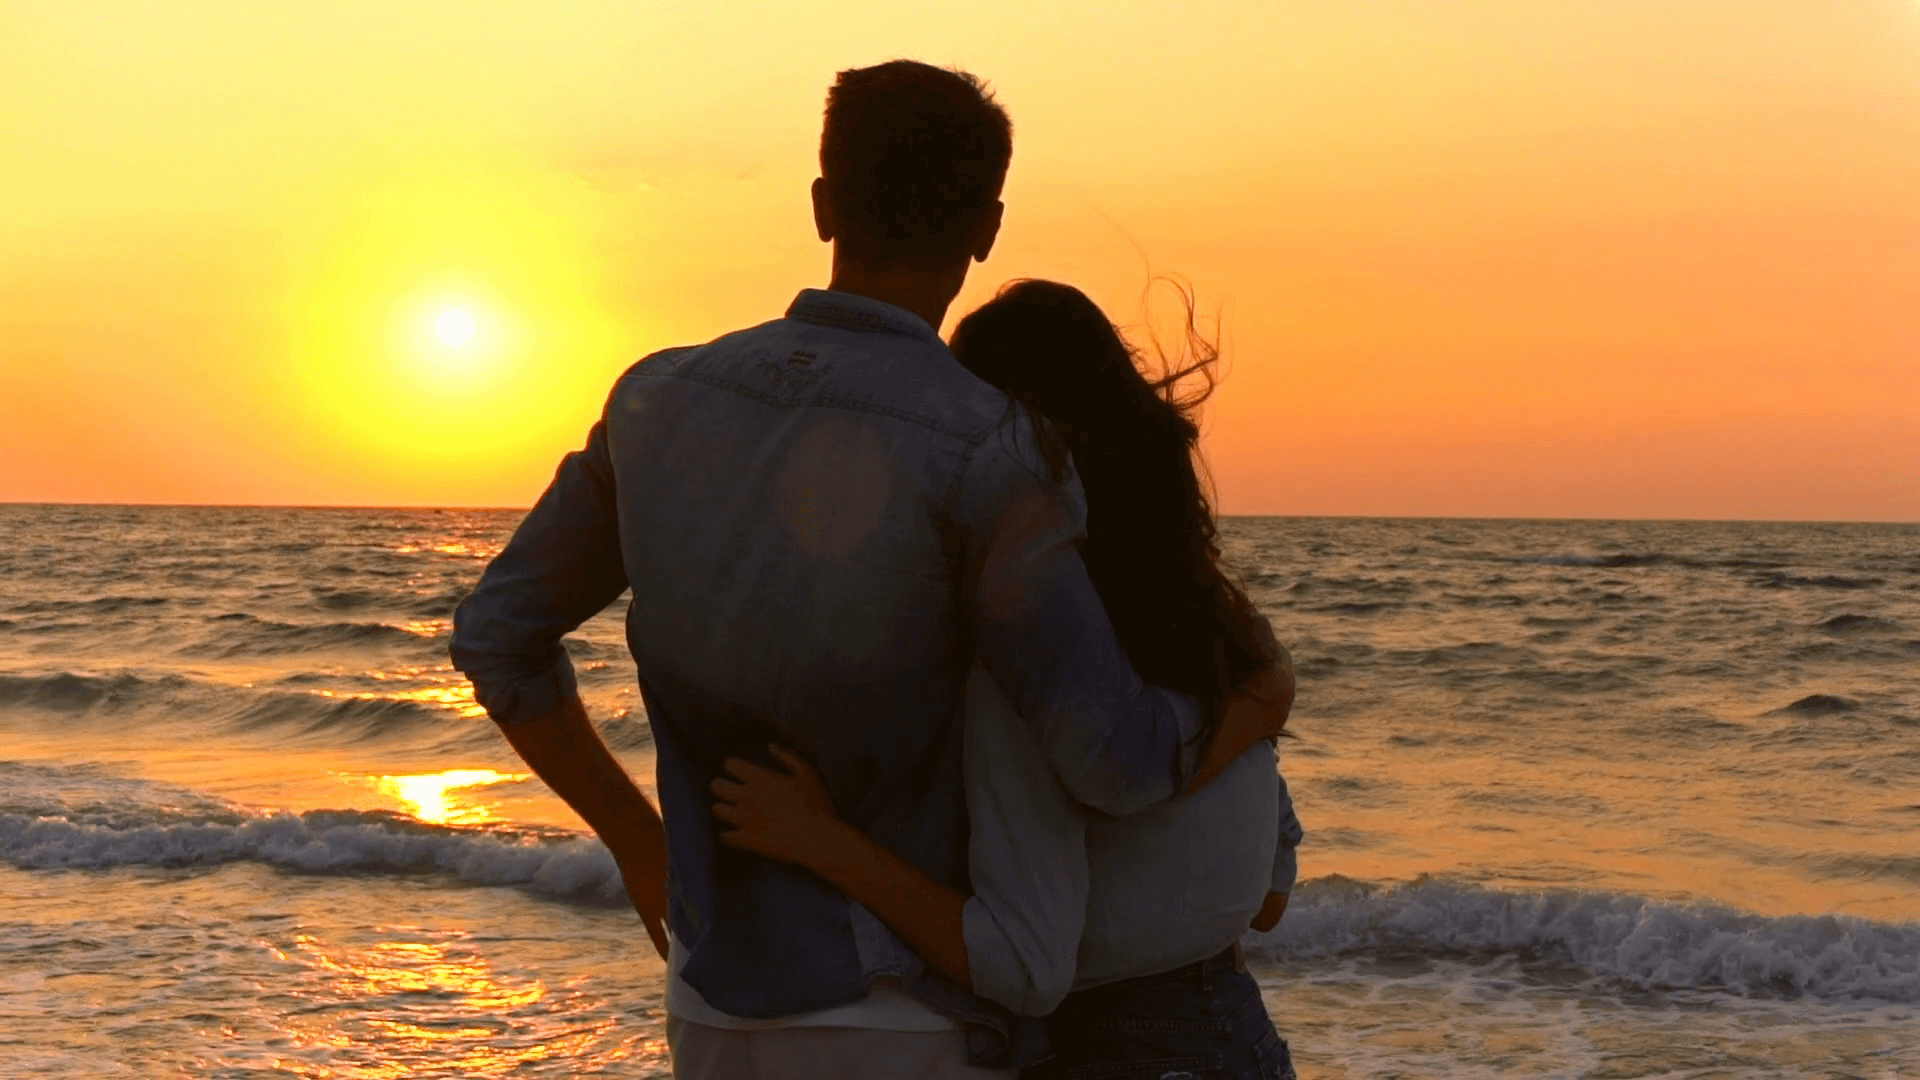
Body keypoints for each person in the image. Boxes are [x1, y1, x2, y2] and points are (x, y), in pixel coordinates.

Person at [448, 61, 1292, 1079]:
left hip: (712, 1007)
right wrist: (1249, 702)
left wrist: (639, 840)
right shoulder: (993, 450)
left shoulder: (655, 401)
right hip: (909, 1018)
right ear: (986, 228)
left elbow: (497, 637)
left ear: (822, 205)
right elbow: (1110, 763)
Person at [712, 280, 1303, 1080]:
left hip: (1112, 1048)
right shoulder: (1219, 633)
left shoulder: (1037, 665)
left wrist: (819, 837)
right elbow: (1267, 901)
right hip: (1238, 1035)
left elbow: (1023, 966)